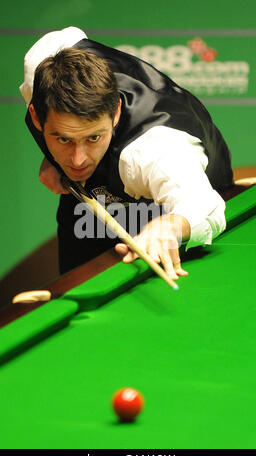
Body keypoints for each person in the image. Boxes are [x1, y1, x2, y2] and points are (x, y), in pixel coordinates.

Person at [20, 27, 233, 279]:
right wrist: (53, 159)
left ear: (116, 113)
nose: (78, 159)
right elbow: (70, 36)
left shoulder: (155, 150)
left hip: (171, 203)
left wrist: (169, 225)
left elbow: (202, 205)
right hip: (91, 203)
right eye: (64, 138)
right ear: (36, 117)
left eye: (93, 137)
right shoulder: (41, 68)